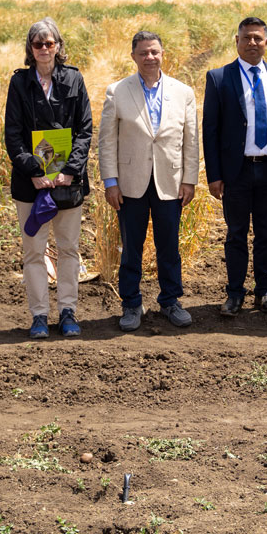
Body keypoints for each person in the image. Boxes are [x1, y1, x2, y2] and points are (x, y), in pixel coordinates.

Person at [99, 30, 199, 331]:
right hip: (130, 184)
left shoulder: (183, 93)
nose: (149, 57)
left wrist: (189, 180)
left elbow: (191, 141)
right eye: (143, 52)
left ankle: (170, 301)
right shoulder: (117, 91)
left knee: (169, 246)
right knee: (132, 247)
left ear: (163, 54)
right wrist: (110, 182)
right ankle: (131, 304)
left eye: (154, 51)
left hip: (170, 182)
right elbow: (106, 142)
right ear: (133, 56)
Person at [5, 18, 94, 339]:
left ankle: (68, 310)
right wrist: (36, 173)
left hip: (68, 184)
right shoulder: (19, 84)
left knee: (69, 249)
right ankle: (40, 315)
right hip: (31, 186)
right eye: (37, 44)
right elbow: (12, 136)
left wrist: (69, 171)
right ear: (30, 49)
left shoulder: (74, 79)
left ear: (58, 46)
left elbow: (85, 130)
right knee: (33, 252)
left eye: (49, 43)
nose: (43, 49)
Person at [203, 17, 267, 315]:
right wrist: (214, 175)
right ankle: (234, 293)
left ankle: (265, 291)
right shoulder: (219, 78)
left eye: (258, 38)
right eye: (247, 38)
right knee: (236, 234)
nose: (253, 43)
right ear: (237, 41)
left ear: (266, 42)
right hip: (237, 171)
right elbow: (211, 130)